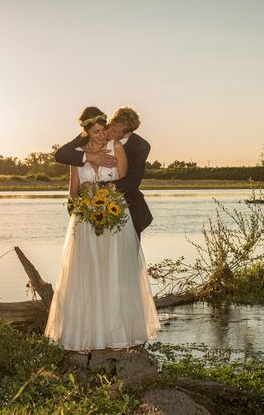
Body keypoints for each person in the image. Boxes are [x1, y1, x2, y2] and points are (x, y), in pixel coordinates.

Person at [44, 107, 159, 351]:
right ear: (87, 131)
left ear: (124, 130)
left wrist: (100, 194)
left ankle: (120, 332)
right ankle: (88, 334)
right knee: (88, 275)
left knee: (118, 272)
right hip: (86, 221)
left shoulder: (120, 147)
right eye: (99, 130)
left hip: (116, 216)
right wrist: (84, 199)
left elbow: (128, 183)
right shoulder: (76, 155)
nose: (105, 134)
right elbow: (73, 192)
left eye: (107, 129)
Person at [55, 106, 153, 239]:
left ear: (127, 134)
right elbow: (61, 154)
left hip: (127, 208)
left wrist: (94, 189)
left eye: (115, 131)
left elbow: (132, 182)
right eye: (110, 126)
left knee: (124, 255)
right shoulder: (96, 130)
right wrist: (91, 156)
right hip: (86, 211)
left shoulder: (141, 146)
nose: (107, 133)